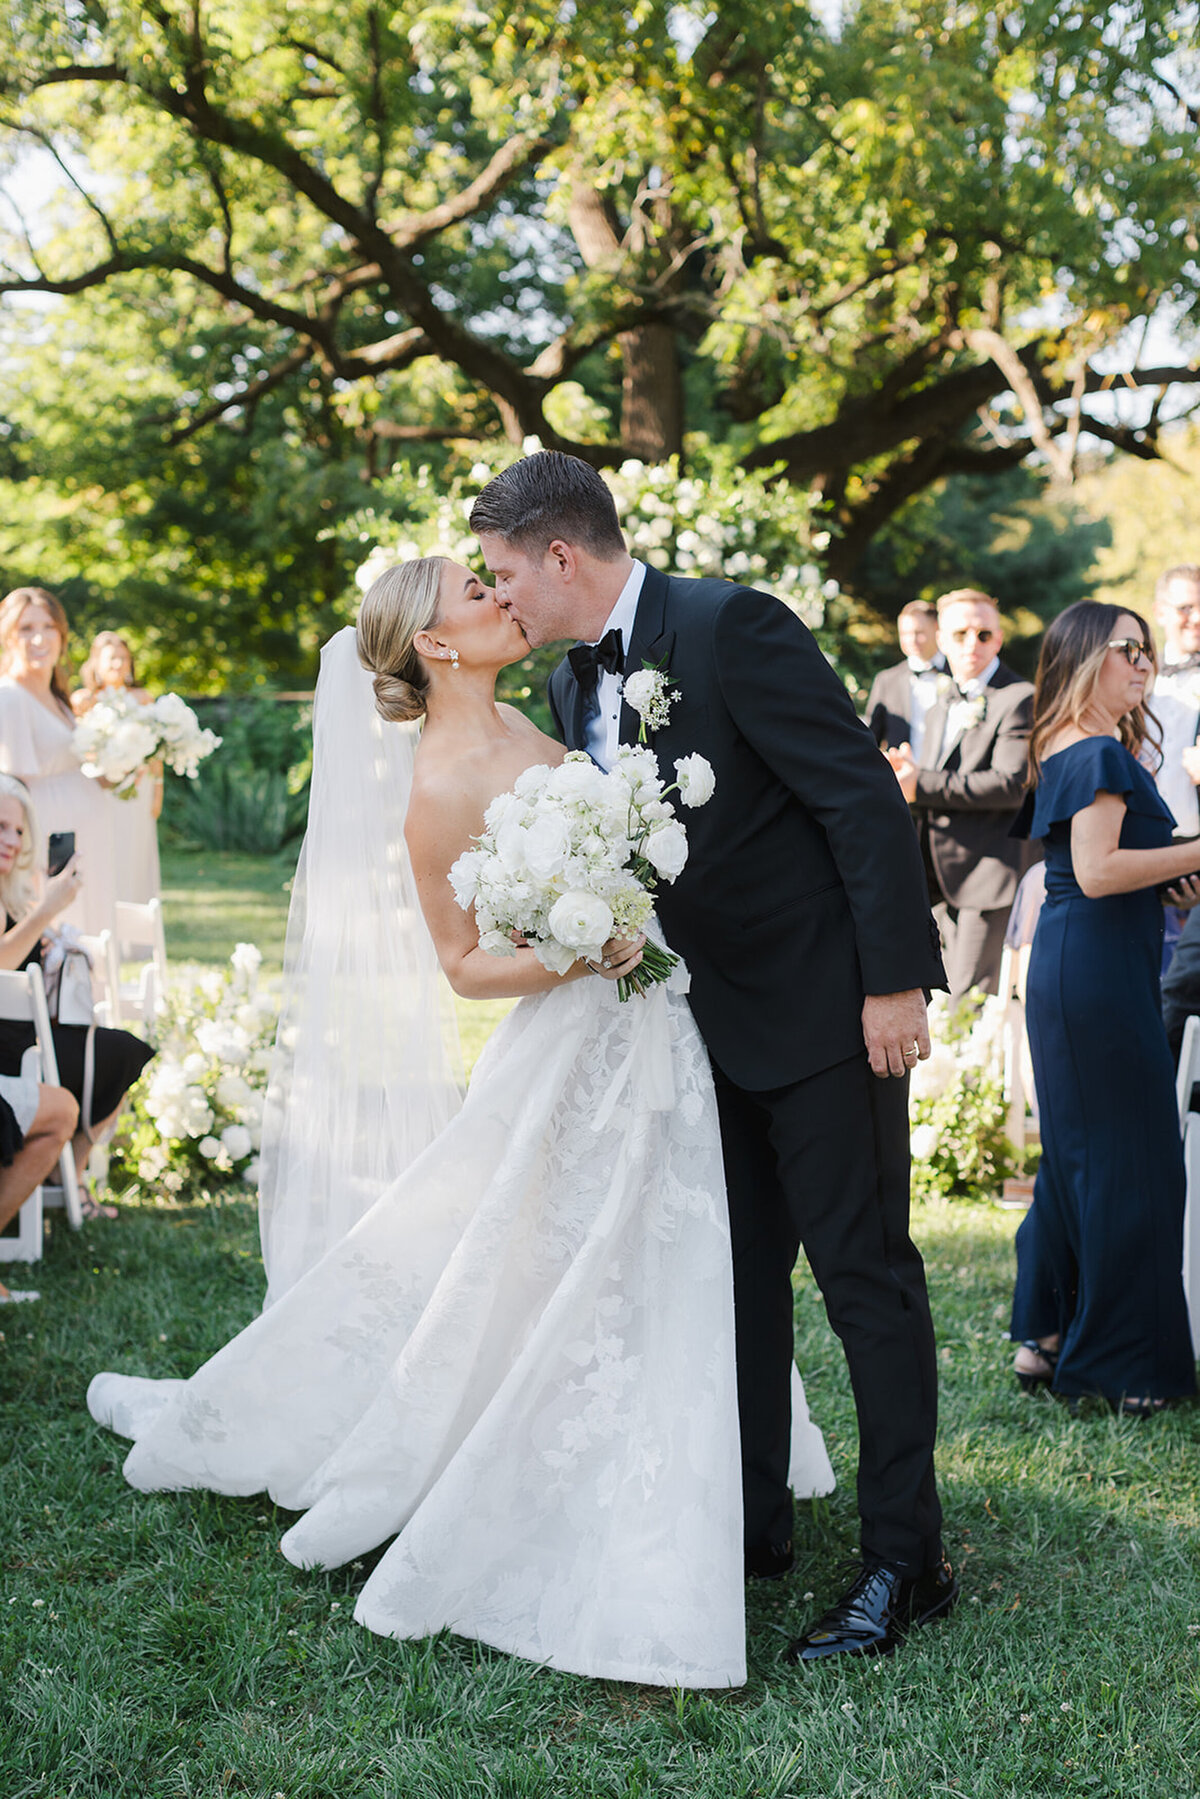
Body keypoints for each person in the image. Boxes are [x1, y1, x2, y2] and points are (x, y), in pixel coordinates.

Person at [88, 560, 836, 1690]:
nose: (502, 600)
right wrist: (577, 948)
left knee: (668, 1246)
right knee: (553, 1257)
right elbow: (462, 964)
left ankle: (711, 1474)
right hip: (571, 1035)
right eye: (475, 597)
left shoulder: (559, 715)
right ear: (435, 646)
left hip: (654, 1024)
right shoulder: (437, 783)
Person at [470, 450, 954, 1664]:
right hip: (693, 1035)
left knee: (865, 1285)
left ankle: (908, 1559)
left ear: (563, 556)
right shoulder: (581, 690)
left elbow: (860, 798)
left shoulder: (731, 624)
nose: (500, 598)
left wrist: (892, 981)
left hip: (827, 1022)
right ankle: (751, 1526)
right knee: (731, 1287)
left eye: (503, 573)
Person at [1009, 601, 1199, 1414]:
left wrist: (1170, 872)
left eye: (1148, 650)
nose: (1144, 662)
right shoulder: (1092, 751)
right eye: (1128, 648)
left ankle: (1045, 1336)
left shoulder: (1070, 745)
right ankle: (1121, 1366)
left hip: (1085, 966)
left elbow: (1105, 866)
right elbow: (1094, 871)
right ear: (1086, 655)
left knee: (1082, 1155)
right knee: (1132, 1158)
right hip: (1095, 973)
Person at [0, 776, 153, 1217]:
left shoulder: (9, 894)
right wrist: (47, 908)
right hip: (15, 1051)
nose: (12, 840)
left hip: (32, 1035)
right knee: (121, 1050)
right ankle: (71, 1173)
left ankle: (71, 1170)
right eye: (1, 827)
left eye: (20, 831)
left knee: (123, 1047)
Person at [887, 589, 1034, 1000]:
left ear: (999, 640)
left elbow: (1010, 785)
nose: (973, 643)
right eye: (961, 633)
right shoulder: (941, 699)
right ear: (942, 640)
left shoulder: (1020, 697)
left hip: (986, 873)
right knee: (934, 995)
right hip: (931, 875)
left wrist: (922, 783)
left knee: (966, 1002)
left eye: (984, 634)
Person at [0, 587, 117, 936]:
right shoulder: (10, 696)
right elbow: (11, 789)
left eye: (48, 626)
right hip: (51, 841)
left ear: (62, 636)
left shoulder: (58, 698)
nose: (39, 637)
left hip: (87, 836)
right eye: (25, 628)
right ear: (7, 637)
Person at [72, 631, 162, 907]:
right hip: (99, 788)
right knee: (102, 852)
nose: (118, 664)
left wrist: (158, 791)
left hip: (138, 788)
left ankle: (137, 932)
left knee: (134, 853)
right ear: (97, 663)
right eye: (112, 658)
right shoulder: (83, 700)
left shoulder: (143, 697)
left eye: (124, 658)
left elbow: (156, 750)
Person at [1145, 565, 1200, 970]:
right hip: (1138, 848)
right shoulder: (1133, 673)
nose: (1196, 618)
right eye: (1185, 607)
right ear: (1160, 612)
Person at [864, 600, 946, 757]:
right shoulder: (886, 680)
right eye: (905, 634)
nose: (912, 640)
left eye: (919, 632)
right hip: (899, 776)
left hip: (947, 777)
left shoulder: (958, 674)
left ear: (937, 630)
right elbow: (872, 737)